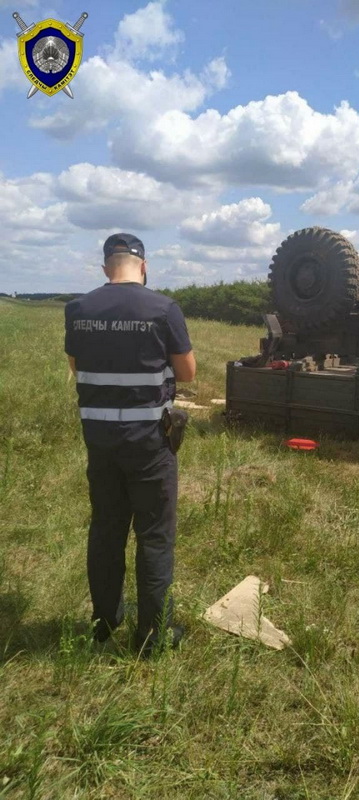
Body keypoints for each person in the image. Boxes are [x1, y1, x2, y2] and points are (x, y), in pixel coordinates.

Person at [64, 233, 196, 655]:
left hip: (99, 440)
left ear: (106, 267)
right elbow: (188, 373)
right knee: (154, 534)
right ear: (144, 266)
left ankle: (103, 623)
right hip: (149, 444)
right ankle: (154, 636)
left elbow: (76, 365)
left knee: (106, 528)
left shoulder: (78, 309)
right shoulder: (163, 309)